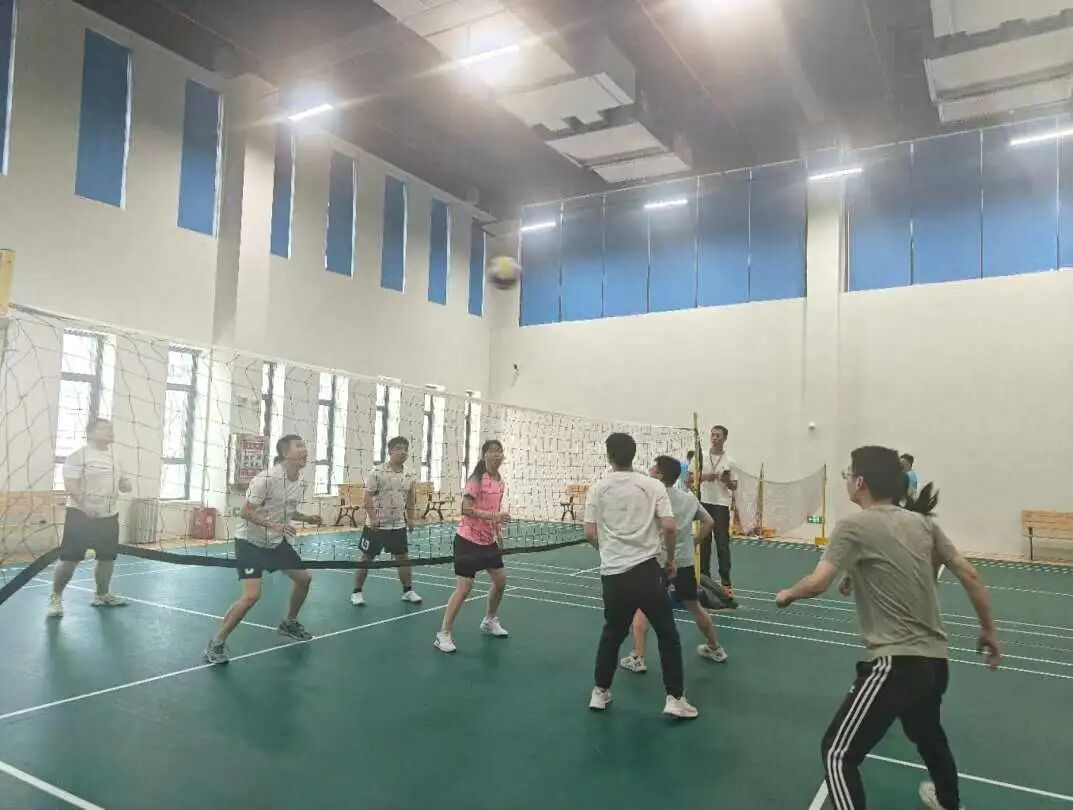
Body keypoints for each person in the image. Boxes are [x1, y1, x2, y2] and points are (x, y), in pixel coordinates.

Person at [775, 446, 1002, 810]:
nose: (847, 479)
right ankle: (949, 802)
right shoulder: (924, 524)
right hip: (935, 664)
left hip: (896, 665)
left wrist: (788, 593)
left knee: (837, 753)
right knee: (927, 735)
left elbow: (817, 584)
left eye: (849, 474)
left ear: (860, 482)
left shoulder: (853, 526)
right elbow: (970, 575)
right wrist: (988, 630)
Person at [585, 433, 697, 719]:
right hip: (647, 572)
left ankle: (600, 692)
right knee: (667, 633)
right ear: (634, 455)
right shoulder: (653, 485)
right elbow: (669, 527)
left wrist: (609, 551)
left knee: (612, 633)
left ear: (609, 455)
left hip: (613, 574)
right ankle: (674, 698)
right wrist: (670, 560)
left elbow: (589, 533)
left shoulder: (598, 488)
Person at [203, 435, 323, 664]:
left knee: (304, 579)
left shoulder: (300, 481)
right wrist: (273, 525)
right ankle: (217, 642)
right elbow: (246, 512)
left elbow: (287, 511)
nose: (304, 450)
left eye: (304, 446)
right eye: (299, 446)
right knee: (251, 596)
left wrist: (307, 518)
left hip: (276, 542)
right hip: (250, 543)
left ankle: (289, 622)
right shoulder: (266, 479)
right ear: (285, 453)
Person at [620, 455, 728, 674]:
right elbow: (709, 522)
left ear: (660, 475)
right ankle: (715, 648)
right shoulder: (688, 499)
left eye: (653, 468)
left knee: (642, 608)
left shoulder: (651, 499)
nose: (650, 470)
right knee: (694, 606)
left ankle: (638, 658)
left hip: (657, 562)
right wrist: (694, 542)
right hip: (685, 562)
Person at [48, 418, 132, 617]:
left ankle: (102, 595)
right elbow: (71, 484)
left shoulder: (116, 458)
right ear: (91, 433)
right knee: (70, 559)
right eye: (105, 428)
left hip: (109, 516)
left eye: (111, 428)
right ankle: (55, 598)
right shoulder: (79, 456)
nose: (110, 431)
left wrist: (125, 485)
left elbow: (124, 483)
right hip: (80, 516)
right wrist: (85, 506)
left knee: (107, 558)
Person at [435, 439, 510, 653]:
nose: (496, 454)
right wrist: (494, 516)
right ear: (484, 455)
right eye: (491, 451)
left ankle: (490, 620)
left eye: (499, 451)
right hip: (467, 540)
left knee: (500, 581)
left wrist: (498, 531)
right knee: (465, 587)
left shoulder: (500, 482)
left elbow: (495, 509)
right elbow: (465, 509)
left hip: (488, 541)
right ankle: (443, 634)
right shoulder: (476, 479)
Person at [350, 436, 422, 606]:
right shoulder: (377, 472)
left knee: (403, 558)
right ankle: (357, 592)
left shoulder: (410, 474)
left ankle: (408, 591)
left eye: (405, 449)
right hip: (376, 526)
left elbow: (410, 499)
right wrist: (373, 518)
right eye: (398, 448)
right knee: (366, 558)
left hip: (398, 525)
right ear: (390, 451)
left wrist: (411, 518)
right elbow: (367, 497)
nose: (403, 452)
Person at [697, 424, 738, 595]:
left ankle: (726, 582)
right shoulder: (701, 457)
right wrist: (707, 476)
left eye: (718, 436)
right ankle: (704, 579)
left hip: (721, 505)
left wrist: (726, 481)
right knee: (704, 543)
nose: (714, 438)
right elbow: (691, 478)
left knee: (722, 544)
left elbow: (734, 486)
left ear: (724, 438)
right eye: (712, 435)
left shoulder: (731, 461)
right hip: (704, 503)